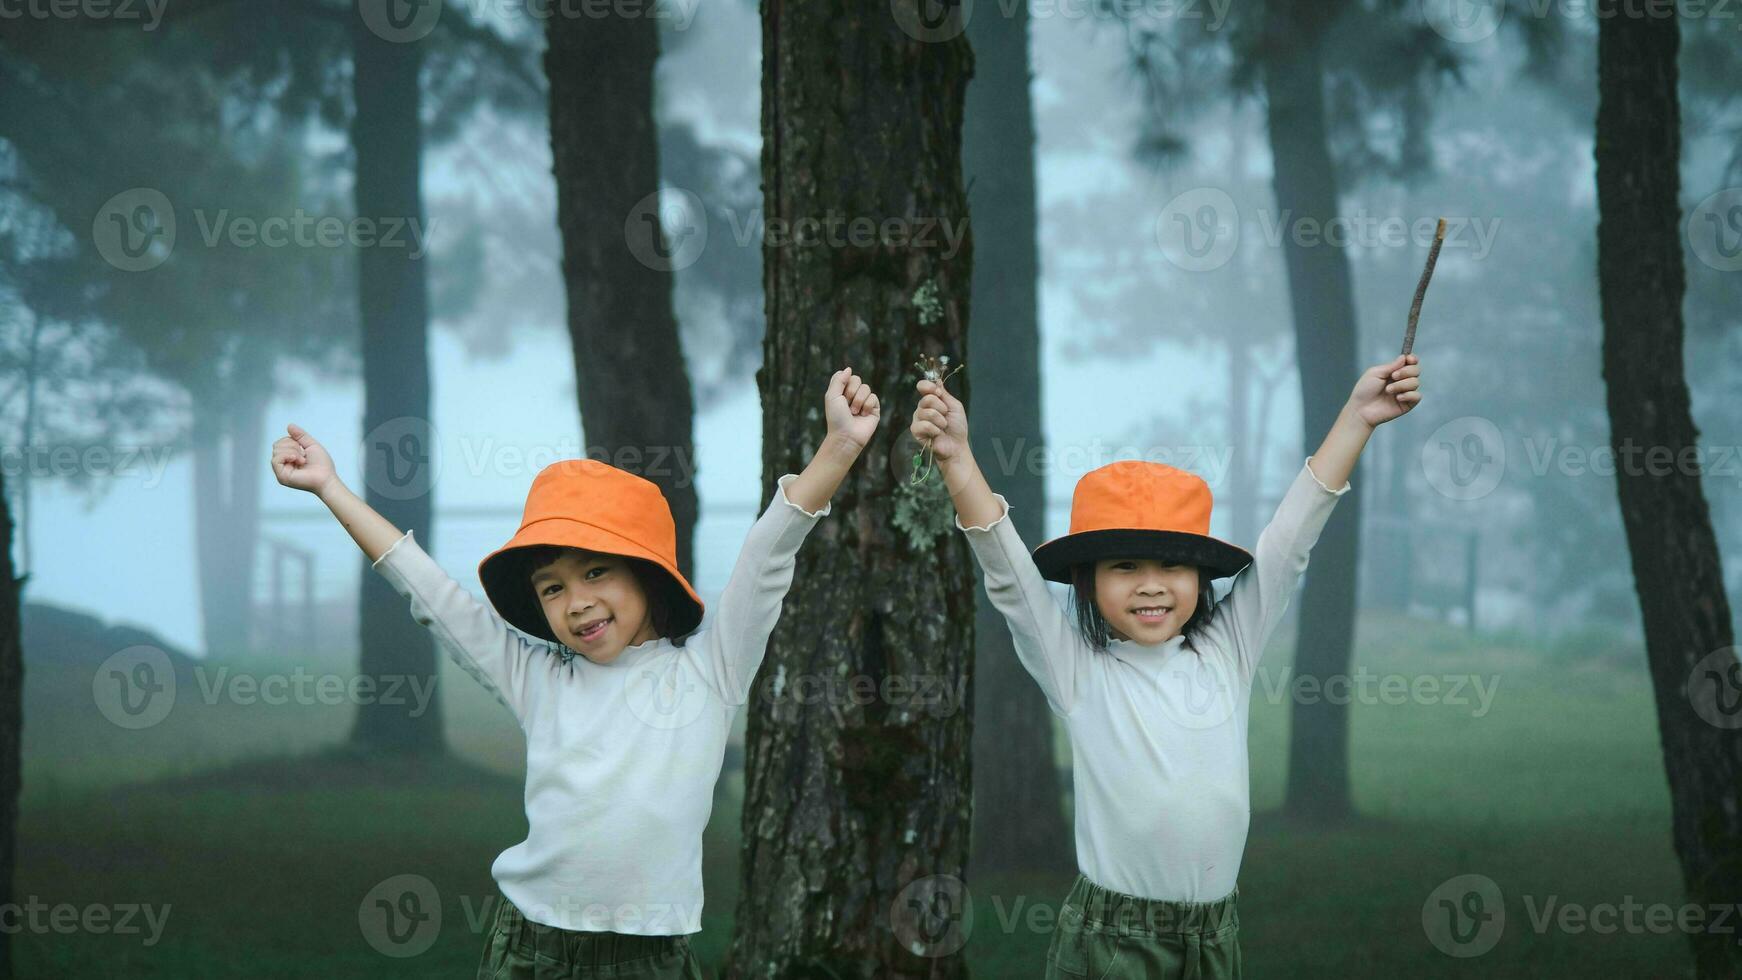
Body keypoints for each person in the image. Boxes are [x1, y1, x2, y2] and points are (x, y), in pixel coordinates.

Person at [272, 368, 881, 979]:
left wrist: (840, 447)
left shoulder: (711, 669)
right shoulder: (537, 678)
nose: (577, 601)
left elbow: (767, 555)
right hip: (533, 949)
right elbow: (431, 595)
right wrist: (331, 488)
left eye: (595, 573)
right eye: (553, 587)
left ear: (646, 573)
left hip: (650, 958)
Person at [910, 354, 1423, 977]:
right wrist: (958, 460)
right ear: (1089, 582)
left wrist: (1357, 419)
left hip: (1213, 938)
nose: (1151, 587)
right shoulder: (1078, 670)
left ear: (1201, 578)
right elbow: (1009, 576)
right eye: (1125, 567)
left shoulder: (1227, 649)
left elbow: (1289, 543)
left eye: (1172, 567)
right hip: (1113, 942)